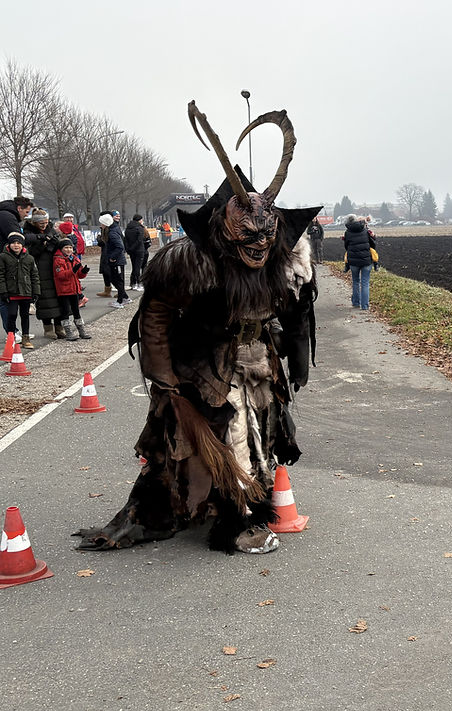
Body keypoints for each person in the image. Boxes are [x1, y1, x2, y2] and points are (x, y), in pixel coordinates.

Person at [76, 100, 319, 555]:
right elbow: (155, 316)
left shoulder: (284, 260)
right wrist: (164, 376)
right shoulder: (190, 263)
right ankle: (238, 518)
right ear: (226, 231)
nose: (258, 245)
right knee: (226, 431)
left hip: (257, 357)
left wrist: (298, 359)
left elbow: (298, 309)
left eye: (266, 236)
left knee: (262, 425)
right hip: (204, 362)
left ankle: (245, 497)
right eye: (247, 236)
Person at [23, 208, 69, 339]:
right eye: (41, 223)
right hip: (39, 267)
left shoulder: (51, 229)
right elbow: (30, 251)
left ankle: (59, 326)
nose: (44, 225)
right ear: (34, 222)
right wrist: (42, 244)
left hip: (54, 265)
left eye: (46, 222)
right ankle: (48, 327)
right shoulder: (28, 232)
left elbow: (58, 245)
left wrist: (54, 243)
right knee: (45, 299)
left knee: (59, 297)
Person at [0, 232, 40, 349]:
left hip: (26, 292)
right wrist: (3, 291)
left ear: (22, 245)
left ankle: (25, 338)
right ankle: (11, 337)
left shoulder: (29, 258)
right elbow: (1, 275)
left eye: (18, 243)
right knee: (11, 315)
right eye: (13, 243)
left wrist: (36, 291)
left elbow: (34, 276)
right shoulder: (3, 257)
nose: (16, 245)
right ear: (9, 244)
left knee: (25, 316)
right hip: (11, 292)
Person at [52, 239, 91, 340]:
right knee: (65, 311)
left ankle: (81, 331)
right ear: (61, 249)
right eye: (66, 248)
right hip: (64, 290)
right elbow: (60, 275)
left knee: (76, 311)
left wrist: (83, 272)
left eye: (70, 247)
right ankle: (68, 332)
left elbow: (79, 275)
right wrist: (72, 271)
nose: (69, 249)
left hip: (75, 289)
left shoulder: (74, 258)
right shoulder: (58, 260)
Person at [342, 214, 377, 310]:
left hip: (353, 261)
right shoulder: (365, 230)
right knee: (365, 283)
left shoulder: (347, 232)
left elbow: (346, 246)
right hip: (366, 260)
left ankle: (356, 302)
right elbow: (372, 243)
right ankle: (365, 306)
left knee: (355, 281)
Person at [104, 210, 131, 308]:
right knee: (115, 279)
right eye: (116, 216)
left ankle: (120, 301)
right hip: (115, 259)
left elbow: (120, 246)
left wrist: (112, 257)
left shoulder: (113, 231)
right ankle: (125, 297)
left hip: (117, 260)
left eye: (119, 216)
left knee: (118, 280)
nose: (118, 217)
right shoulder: (111, 229)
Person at [124, 213, 150, 291]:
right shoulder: (140, 228)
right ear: (139, 220)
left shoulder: (128, 228)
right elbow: (139, 240)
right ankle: (139, 283)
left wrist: (129, 249)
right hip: (139, 250)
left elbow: (125, 240)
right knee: (138, 267)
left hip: (131, 251)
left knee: (134, 266)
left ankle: (133, 283)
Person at [95, 210, 114, 297]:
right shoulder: (104, 229)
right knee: (105, 272)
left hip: (109, 254)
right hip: (106, 253)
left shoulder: (111, 230)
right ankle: (107, 289)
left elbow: (104, 242)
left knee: (109, 272)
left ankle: (121, 293)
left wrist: (99, 238)